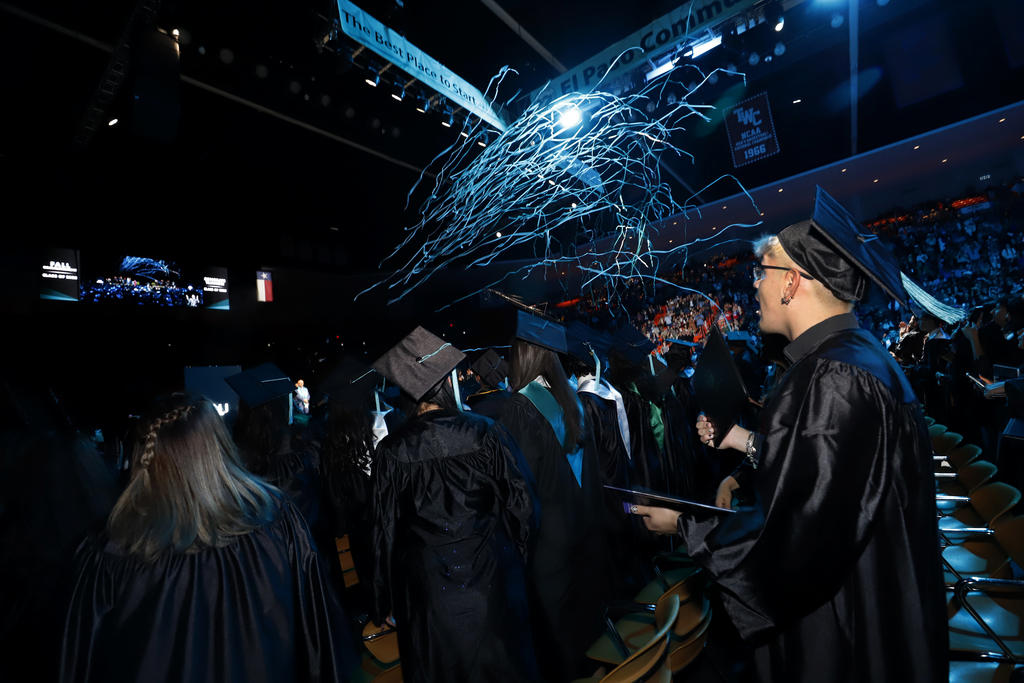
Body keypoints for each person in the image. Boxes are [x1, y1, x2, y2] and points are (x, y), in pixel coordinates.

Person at [635, 187, 947, 682]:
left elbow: (797, 539)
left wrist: (684, 526)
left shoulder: (834, 378)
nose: (754, 286)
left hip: (846, 630)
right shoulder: (856, 359)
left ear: (792, 283)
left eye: (762, 273)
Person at [59, 392, 356, 682]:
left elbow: (78, 660)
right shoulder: (275, 519)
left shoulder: (108, 551)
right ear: (219, 443)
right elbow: (317, 639)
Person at [370, 326, 541, 683]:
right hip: (492, 584)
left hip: (429, 598)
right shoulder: (485, 432)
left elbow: (384, 531)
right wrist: (515, 562)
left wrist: (384, 599)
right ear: (450, 382)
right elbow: (524, 507)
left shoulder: (390, 452)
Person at [497, 311, 608, 682]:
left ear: (523, 354)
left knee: (559, 650)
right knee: (585, 637)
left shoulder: (519, 409)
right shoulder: (573, 400)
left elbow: (518, 493)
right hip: (585, 537)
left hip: (549, 553)